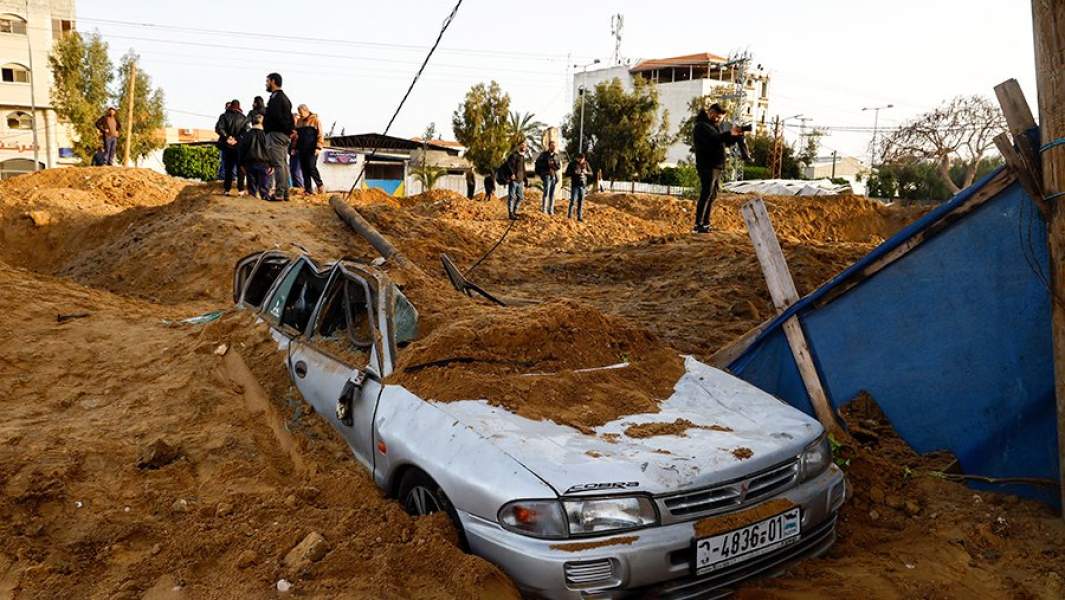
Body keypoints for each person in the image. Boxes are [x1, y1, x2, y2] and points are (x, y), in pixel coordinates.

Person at [692, 103, 744, 233]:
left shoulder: (714, 127)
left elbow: (723, 142)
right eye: (716, 116)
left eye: (720, 117)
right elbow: (714, 140)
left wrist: (734, 136)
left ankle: (705, 223)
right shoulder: (701, 126)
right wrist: (728, 133)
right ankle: (698, 224)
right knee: (706, 193)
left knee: (713, 194)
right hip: (707, 165)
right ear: (710, 112)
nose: (718, 119)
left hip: (716, 166)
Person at [263, 72, 295, 201]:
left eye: (267, 81)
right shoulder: (283, 98)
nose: (266, 84)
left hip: (276, 134)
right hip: (282, 135)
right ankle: (285, 193)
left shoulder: (277, 98)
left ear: (273, 81)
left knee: (278, 164)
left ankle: (279, 193)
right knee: (283, 164)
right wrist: (289, 131)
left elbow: (277, 117)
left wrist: (284, 130)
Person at [215, 99, 247, 196]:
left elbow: (218, 128)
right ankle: (241, 190)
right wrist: (237, 139)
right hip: (238, 146)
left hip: (226, 145)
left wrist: (227, 137)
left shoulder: (224, 116)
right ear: (239, 107)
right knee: (240, 168)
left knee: (228, 168)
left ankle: (227, 189)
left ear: (230, 106)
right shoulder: (243, 118)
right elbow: (245, 132)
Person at [239, 113, 273, 200]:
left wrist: (241, 164)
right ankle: (265, 199)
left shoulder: (247, 135)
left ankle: (253, 199)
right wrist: (272, 164)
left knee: (252, 187)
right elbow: (270, 150)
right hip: (264, 163)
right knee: (264, 187)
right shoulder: (266, 135)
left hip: (249, 163)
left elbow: (241, 150)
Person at [295, 104, 325, 194]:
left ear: (306, 110)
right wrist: (295, 147)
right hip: (302, 148)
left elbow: (320, 134)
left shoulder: (315, 120)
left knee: (311, 167)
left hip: (312, 149)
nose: (300, 114)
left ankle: (320, 186)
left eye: (301, 112)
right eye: (299, 112)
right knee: (304, 168)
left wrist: (318, 147)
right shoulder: (299, 121)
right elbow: (297, 136)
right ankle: (308, 189)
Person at [535, 141, 561, 215]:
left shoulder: (556, 156)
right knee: (546, 192)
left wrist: (554, 164)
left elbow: (559, 166)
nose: (553, 147)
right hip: (546, 175)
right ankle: (544, 209)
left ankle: (551, 210)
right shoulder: (543, 155)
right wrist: (547, 164)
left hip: (553, 176)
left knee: (552, 194)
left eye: (554, 146)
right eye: (552, 145)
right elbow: (538, 163)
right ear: (549, 146)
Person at [506, 141, 528, 220]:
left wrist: (525, 179)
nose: (524, 147)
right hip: (514, 180)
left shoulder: (522, 157)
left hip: (521, 180)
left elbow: (523, 169)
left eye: (525, 146)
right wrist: (512, 174)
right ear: (519, 146)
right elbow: (508, 165)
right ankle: (511, 213)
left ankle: (514, 211)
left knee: (521, 197)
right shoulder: (514, 155)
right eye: (522, 145)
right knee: (512, 197)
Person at [566, 154, 591, 222]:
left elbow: (591, 173)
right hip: (575, 185)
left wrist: (586, 172)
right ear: (577, 158)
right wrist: (574, 172)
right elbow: (567, 173)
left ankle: (579, 217)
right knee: (573, 201)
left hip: (583, 186)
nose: (581, 161)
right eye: (580, 159)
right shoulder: (572, 164)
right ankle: (569, 216)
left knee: (581, 202)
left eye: (582, 159)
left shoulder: (586, 164)